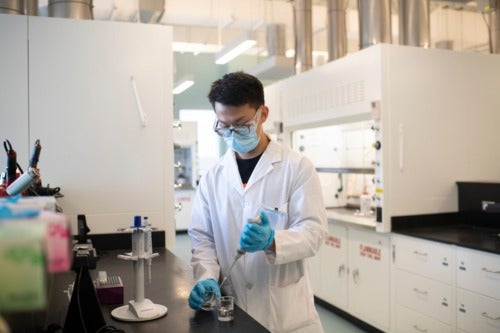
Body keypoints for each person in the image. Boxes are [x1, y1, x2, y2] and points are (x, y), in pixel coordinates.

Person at [187, 71, 327, 333]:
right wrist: (205, 276)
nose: (231, 134)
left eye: (240, 125)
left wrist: (272, 240)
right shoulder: (212, 178)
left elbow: (315, 233)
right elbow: (203, 239)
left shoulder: (297, 168)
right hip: (234, 310)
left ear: (262, 114)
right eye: (223, 126)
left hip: (288, 318)